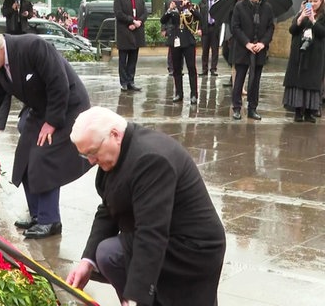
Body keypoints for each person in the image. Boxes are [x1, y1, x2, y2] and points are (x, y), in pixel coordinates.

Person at [66, 106, 226, 306]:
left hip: (192, 247)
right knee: (104, 254)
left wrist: (136, 297)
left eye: (92, 152)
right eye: (85, 155)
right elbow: (108, 208)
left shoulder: (150, 159)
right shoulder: (118, 153)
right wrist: (86, 262)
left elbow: (151, 232)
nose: (90, 161)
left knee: (111, 254)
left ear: (114, 135)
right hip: (168, 236)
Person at [0, 29, 92, 239]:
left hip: (67, 107)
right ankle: (37, 215)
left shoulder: (33, 46)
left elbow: (59, 83)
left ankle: (50, 220)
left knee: (43, 156)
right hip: (40, 110)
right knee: (25, 155)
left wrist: (52, 123)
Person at [230, 0, 275, 120]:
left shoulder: (267, 7)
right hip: (243, 49)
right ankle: (237, 108)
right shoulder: (240, 6)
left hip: (259, 49)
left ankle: (252, 108)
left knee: (255, 81)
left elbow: (270, 27)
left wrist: (263, 43)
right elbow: (235, 27)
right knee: (239, 80)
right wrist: (247, 43)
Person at [283, 0, 325, 123]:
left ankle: (309, 112)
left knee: (311, 82)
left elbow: (322, 33)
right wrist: (301, 18)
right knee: (298, 81)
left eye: (315, 1)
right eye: (310, 1)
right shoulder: (301, 13)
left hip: (315, 54)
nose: (312, 4)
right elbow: (292, 30)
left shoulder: (323, 16)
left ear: (321, 1)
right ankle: (297, 111)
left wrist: (313, 20)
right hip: (299, 52)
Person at [160, 0, 202, 105]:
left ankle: (194, 94)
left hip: (188, 40)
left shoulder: (192, 5)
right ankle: (179, 93)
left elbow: (199, 17)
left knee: (191, 68)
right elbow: (163, 20)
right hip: (175, 38)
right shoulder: (172, 4)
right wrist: (170, 10)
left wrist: (189, 8)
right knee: (177, 68)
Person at [114, 0, 148, 92]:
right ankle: (123, 82)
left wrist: (139, 22)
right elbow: (119, 14)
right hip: (124, 32)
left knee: (133, 59)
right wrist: (132, 21)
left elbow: (145, 13)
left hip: (136, 32)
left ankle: (130, 81)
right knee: (123, 59)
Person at [198, 0, 220, 77]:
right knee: (205, 50)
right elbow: (199, 17)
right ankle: (204, 69)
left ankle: (213, 69)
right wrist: (199, 28)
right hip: (205, 28)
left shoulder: (219, 0)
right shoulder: (202, 2)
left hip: (215, 28)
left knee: (215, 50)